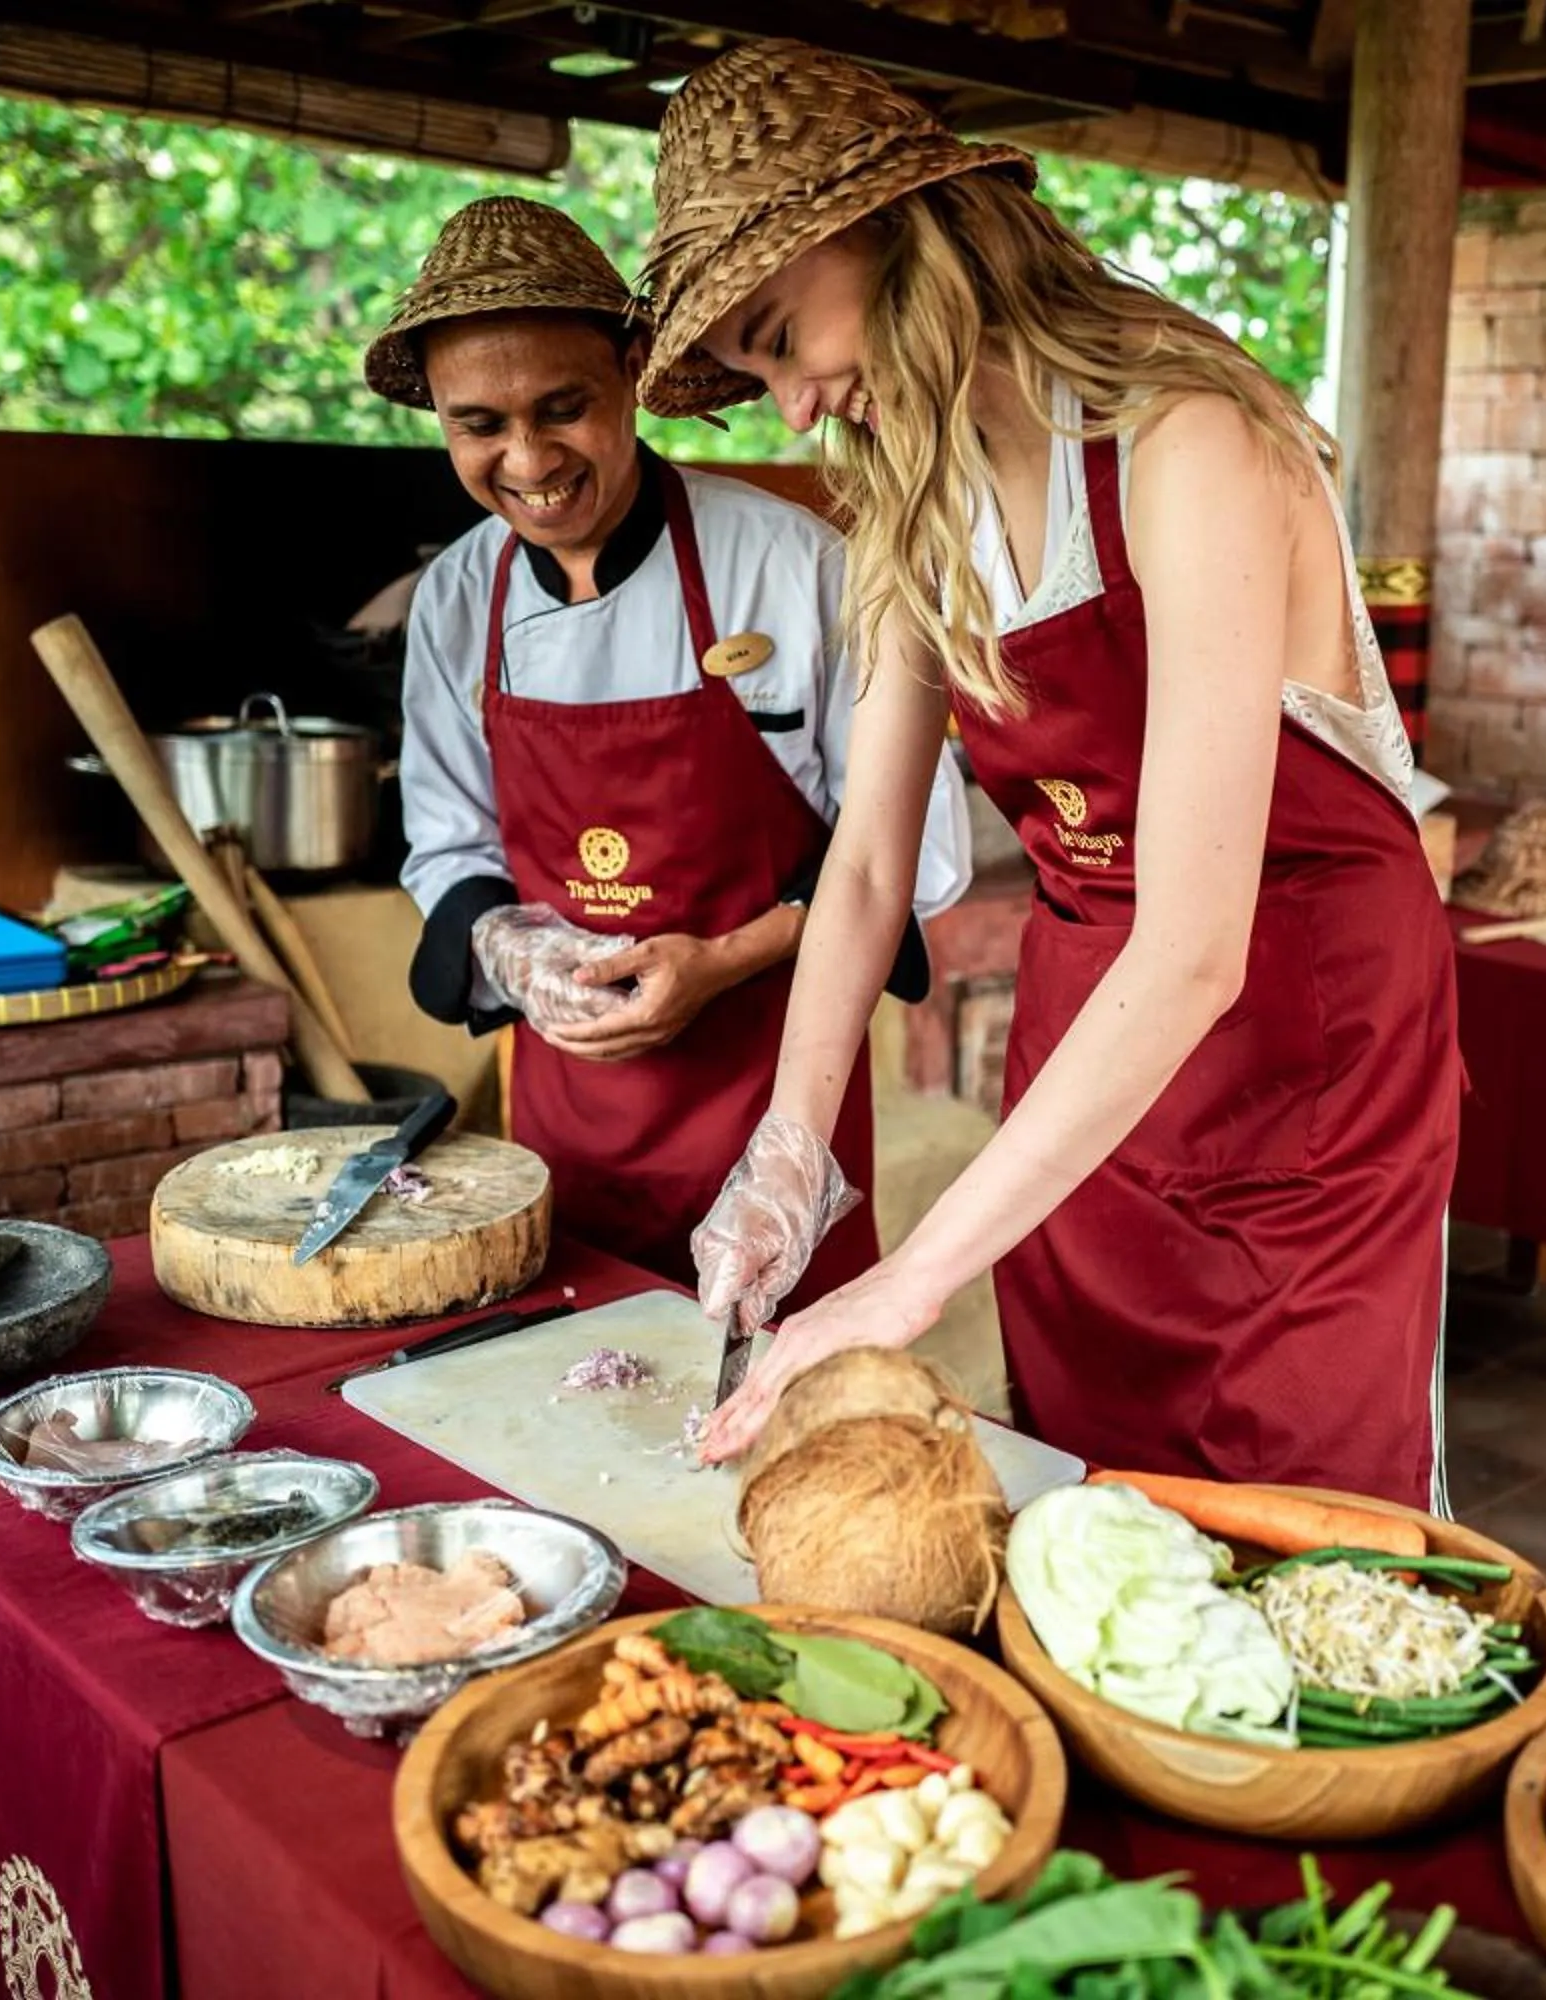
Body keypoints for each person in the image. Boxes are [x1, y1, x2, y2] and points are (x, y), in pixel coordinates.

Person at [648, 44, 1460, 1510]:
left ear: (897, 225)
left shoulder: (1187, 442)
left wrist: (907, 1282)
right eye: (754, 373)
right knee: (1091, 1497)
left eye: (779, 336)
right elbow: (871, 866)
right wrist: (788, 1147)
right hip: (1096, 1047)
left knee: (1292, 1517)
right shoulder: (916, 491)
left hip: (1300, 1053)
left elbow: (1201, 946)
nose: (791, 409)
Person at [371, 196, 973, 1301]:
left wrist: (720, 962)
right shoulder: (461, 596)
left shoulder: (794, 568)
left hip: (776, 1104)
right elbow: (446, 844)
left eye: (564, 408)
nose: (528, 458)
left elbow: (911, 853)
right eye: (479, 425)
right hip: (566, 1120)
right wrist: (518, 954)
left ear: (635, 369)